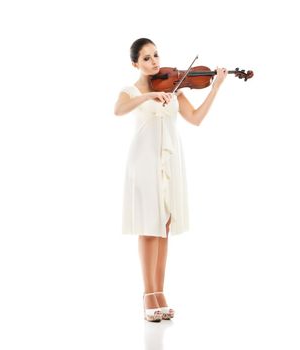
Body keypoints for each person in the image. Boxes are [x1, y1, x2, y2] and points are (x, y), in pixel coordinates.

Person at [114, 38, 227, 322]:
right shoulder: (133, 91)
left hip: (170, 161)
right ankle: (147, 294)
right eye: (147, 58)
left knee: (164, 225)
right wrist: (149, 97)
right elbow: (118, 110)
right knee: (148, 224)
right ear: (135, 64)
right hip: (144, 161)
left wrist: (215, 89)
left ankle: (160, 292)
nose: (154, 62)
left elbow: (196, 118)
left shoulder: (173, 86)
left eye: (155, 56)